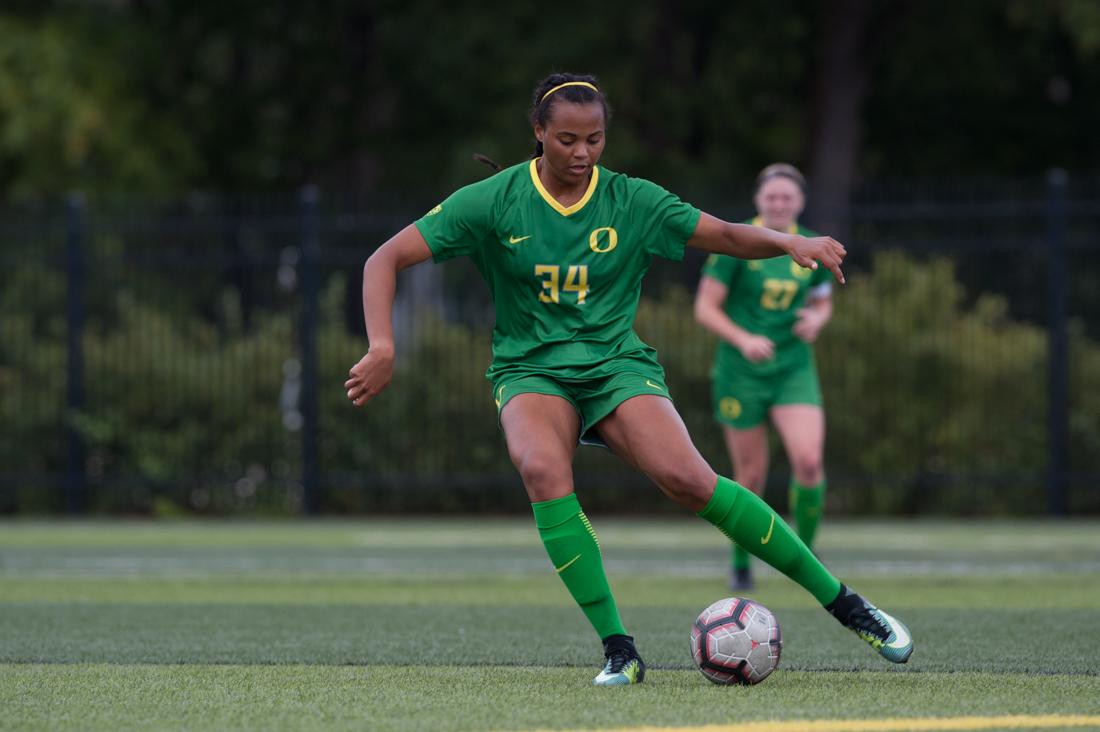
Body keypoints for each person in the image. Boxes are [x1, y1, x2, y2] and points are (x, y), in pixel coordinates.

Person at [345, 73, 913, 686]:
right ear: (538, 134)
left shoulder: (632, 199)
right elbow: (385, 258)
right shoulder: (494, 199)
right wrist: (383, 345)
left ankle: (850, 606)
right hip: (530, 368)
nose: (582, 153)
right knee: (541, 470)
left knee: (690, 480)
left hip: (616, 364)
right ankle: (620, 649)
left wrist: (784, 241)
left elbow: (721, 234)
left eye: (595, 139)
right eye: (567, 139)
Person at [694, 163, 833, 592]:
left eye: (786, 197)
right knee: (749, 477)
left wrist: (817, 320)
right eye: (771, 197)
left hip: (792, 368)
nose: (778, 204)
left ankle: (803, 561)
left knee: (809, 462)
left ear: (800, 202)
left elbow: (822, 300)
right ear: (758, 201)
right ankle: (741, 564)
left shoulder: (808, 246)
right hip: (742, 373)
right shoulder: (738, 244)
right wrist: (744, 339)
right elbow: (705, 309)